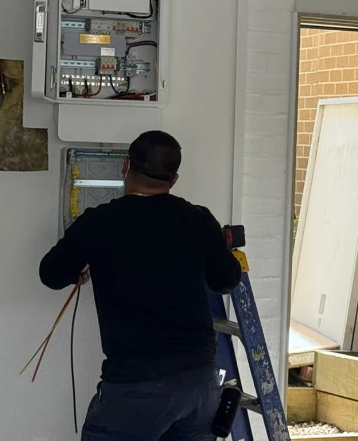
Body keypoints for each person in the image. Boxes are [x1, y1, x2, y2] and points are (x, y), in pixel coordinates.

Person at [39, 130, 243, 441]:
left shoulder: (100, 222)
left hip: (136, 386)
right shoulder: (199, 220)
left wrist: (78, 268)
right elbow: (227, 280)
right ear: (174, 178)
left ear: (125, 166)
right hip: (199, 382)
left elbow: (51, 274)